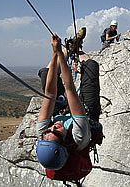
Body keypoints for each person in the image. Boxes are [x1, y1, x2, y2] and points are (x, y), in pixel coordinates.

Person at [36, 30, 101, 181]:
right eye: (56, 132)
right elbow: (69, 88)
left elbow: (50, 93)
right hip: (86, 113)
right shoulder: (79, 137)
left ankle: (68, 49)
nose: (53, 127)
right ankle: (78, 50)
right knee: (91, 67)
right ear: (65, 143)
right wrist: (57, 52)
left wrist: (56, 52)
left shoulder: (43, 133)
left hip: (62, 111)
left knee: (46, 74)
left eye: (49, 130)